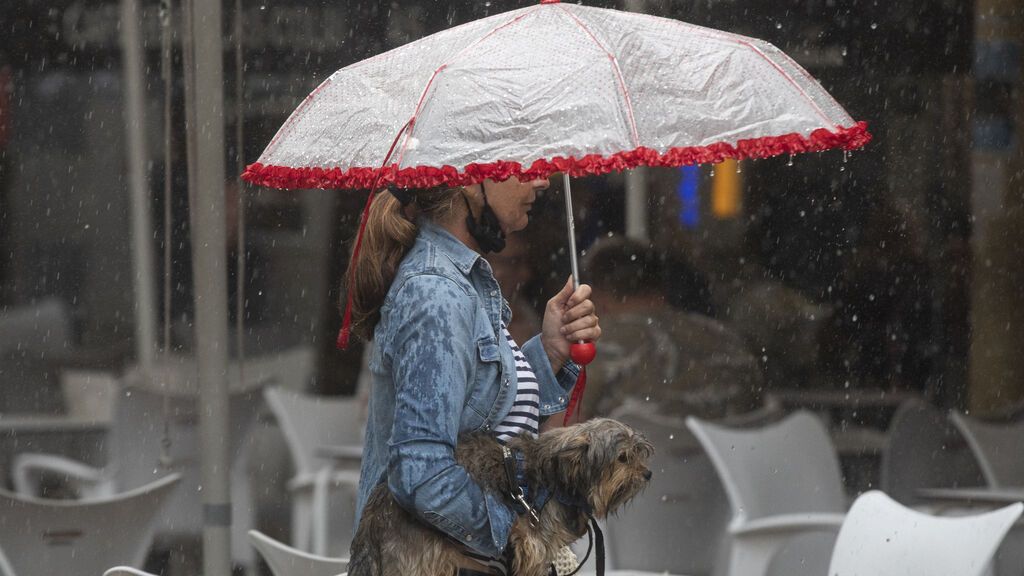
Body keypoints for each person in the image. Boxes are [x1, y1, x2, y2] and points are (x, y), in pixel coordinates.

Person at [345, 176, 601, 575]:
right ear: (469, 182)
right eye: (521, 162)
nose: (541, 178)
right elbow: (420, 471)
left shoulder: (464, 282)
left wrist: (550, 351)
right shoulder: (435, 292)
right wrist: (514, 534)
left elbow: (494, 427)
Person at [580, 236, 762, 420]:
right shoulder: (726, 338)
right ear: (661, 288)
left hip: (645, 445)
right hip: (727, 447)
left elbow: (564, 430)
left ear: (599, 296)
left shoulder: (606, 342)